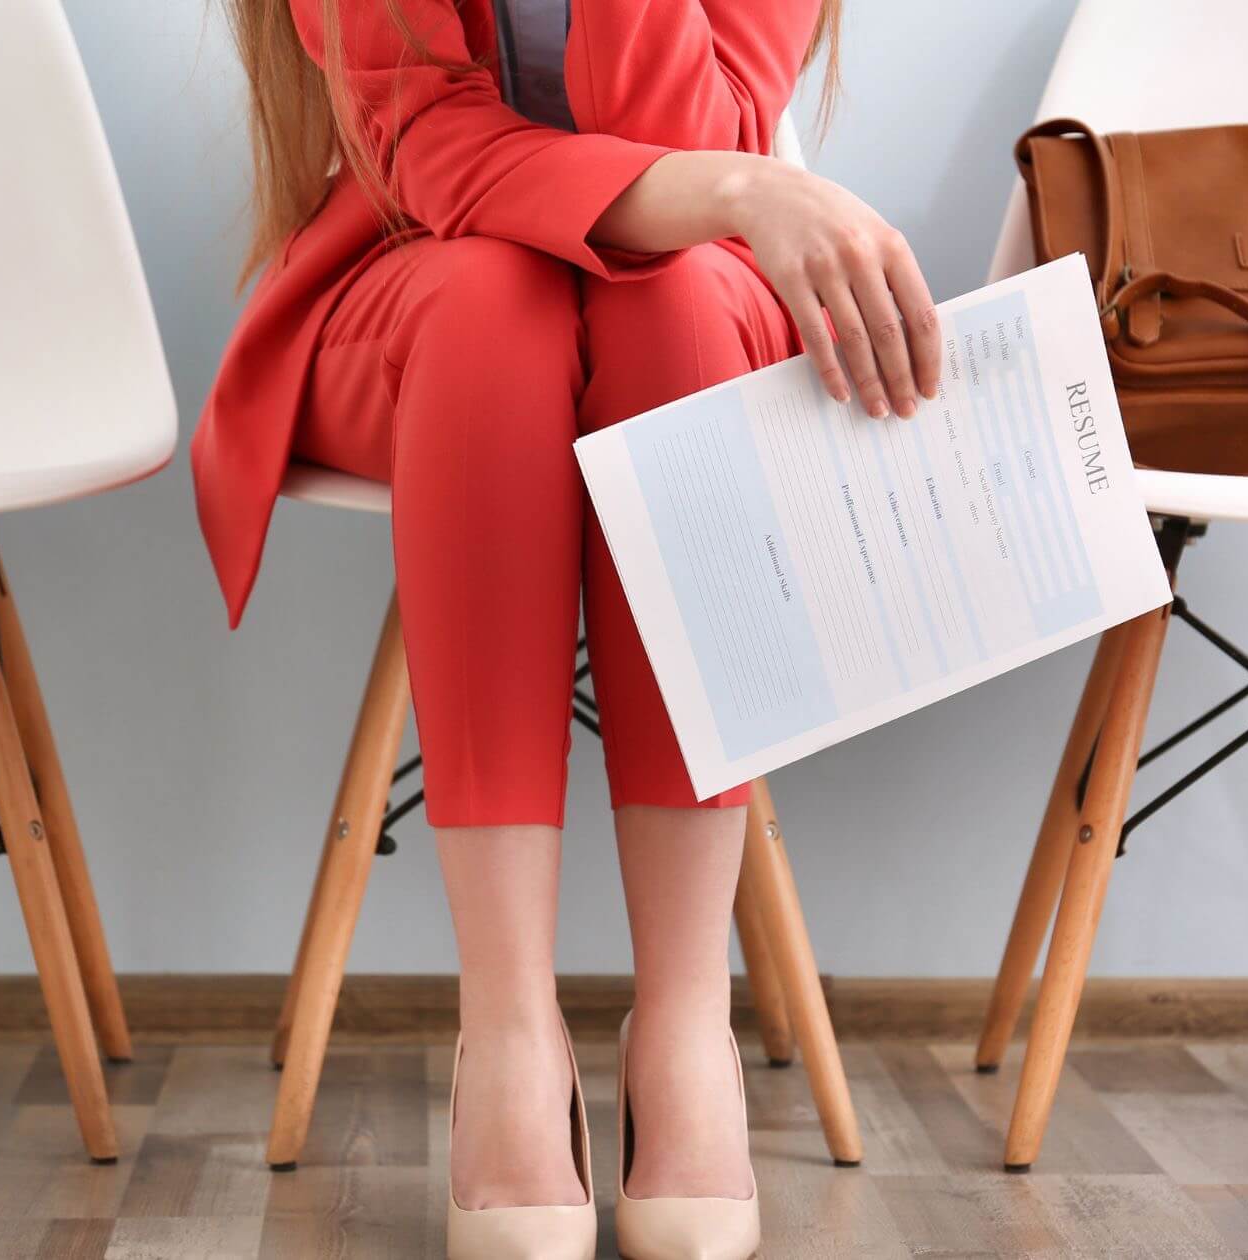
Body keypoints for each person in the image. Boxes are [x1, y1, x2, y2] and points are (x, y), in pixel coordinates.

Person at [197, 1, 939, 1255]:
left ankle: (683, 1023)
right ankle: (507, 1031)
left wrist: (727, 189)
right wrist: (734, 189)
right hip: (415, 277)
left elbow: (688, 127)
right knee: (497, 304)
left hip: (694, 304)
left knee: (674, 313)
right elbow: (438, 154)